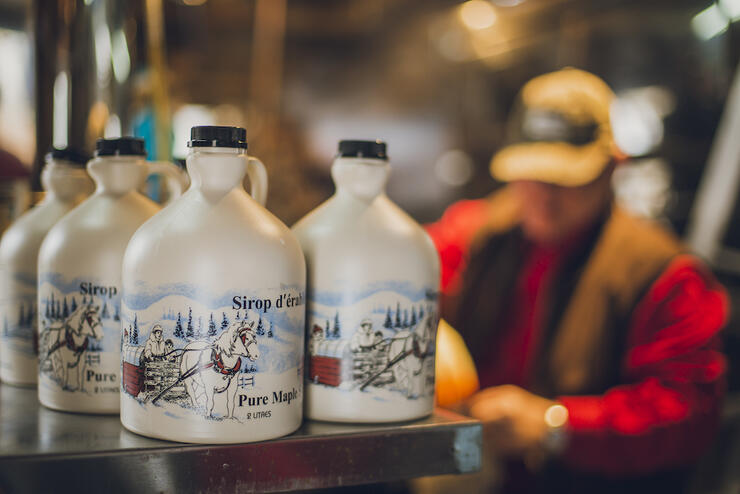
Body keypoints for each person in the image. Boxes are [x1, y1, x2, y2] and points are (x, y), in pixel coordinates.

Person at [427, 68, 729, 493]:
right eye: (533, 176)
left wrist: (557, 425)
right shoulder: (475, 232)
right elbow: (398, 277)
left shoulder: (665, 275)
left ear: (612, 167)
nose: (545, 197)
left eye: (569, 179)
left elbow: (689, 412)